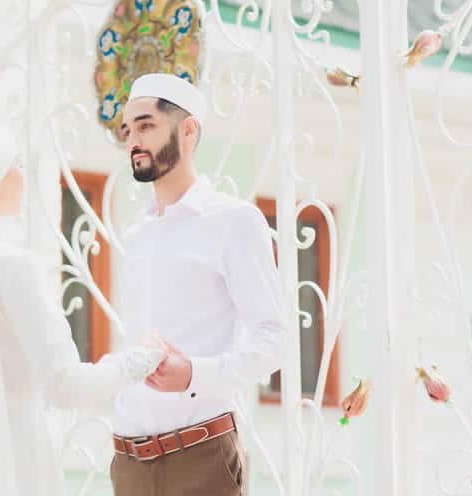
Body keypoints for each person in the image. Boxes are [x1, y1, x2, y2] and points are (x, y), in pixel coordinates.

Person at [0, 114, 165, 495]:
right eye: (15, 162)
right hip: (15, 460)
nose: (24, 172)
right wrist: (141, 357)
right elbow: (65, 385)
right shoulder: (12, 268)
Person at [110, 73, 287, 495]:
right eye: (129, 129)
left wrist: (194, 374)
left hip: (200, 458)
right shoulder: (136, 235)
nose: (134, 140)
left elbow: (276, 340)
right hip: (128, 463)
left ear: (188, 130)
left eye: (147, 125)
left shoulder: (234, 222)